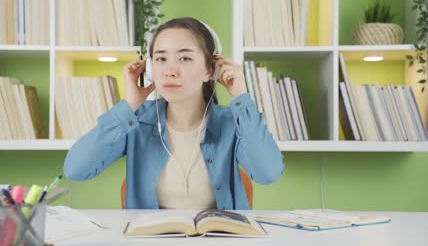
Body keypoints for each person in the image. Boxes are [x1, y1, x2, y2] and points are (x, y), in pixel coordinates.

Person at [63, 17, 284, 210]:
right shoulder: (136, 121)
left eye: (185, 58)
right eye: (160, 59)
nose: (170, 70)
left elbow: (268, 172)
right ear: (149, 69)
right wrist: (129, 104)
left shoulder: (232, 122)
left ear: (210, 70)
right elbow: (76, 169)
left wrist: (241, 97)